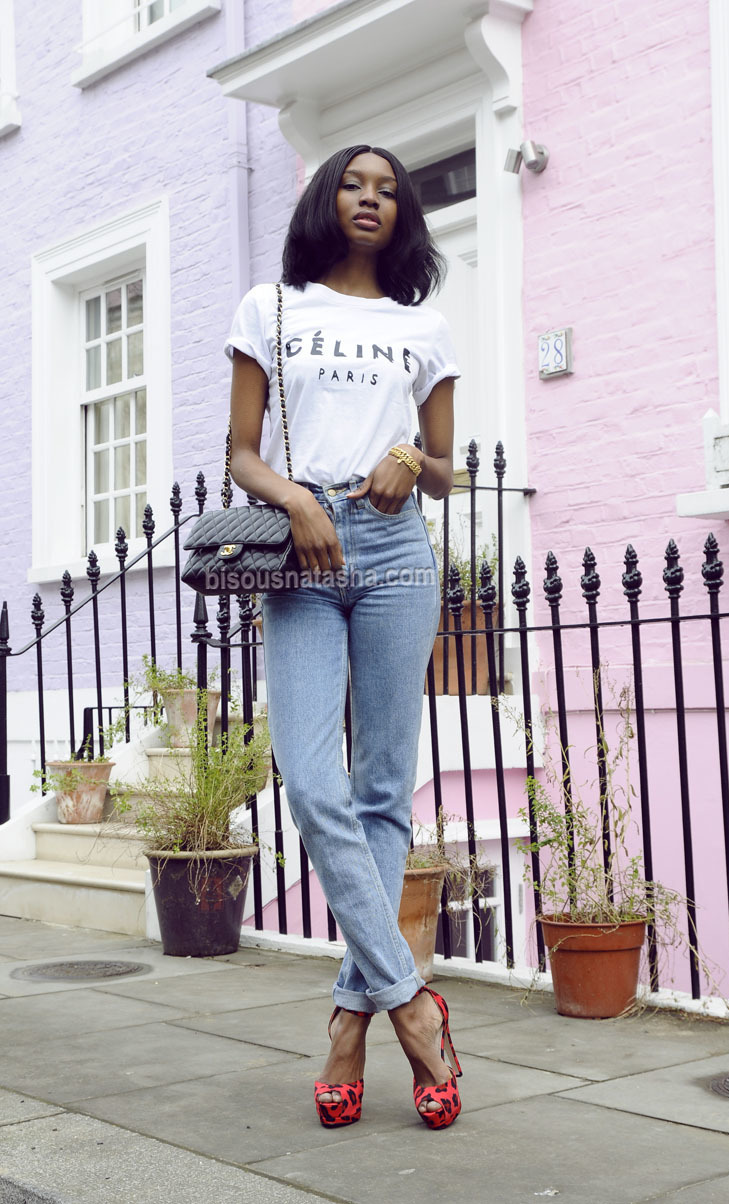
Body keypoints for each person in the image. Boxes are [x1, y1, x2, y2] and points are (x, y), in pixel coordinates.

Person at [224, 145, 463, 1130]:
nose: (370, 198)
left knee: (380, 792)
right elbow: (240, 452)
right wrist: (294, 498)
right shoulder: (268, 307)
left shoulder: (422, 326)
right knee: (313, 782)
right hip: (304, 548)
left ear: (401, 216)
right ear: (325, 200)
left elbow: (448, 466)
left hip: (399, 549)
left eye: (389, 190)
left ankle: (344, 1024)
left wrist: (411, 452)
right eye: (352, 185)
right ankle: (411, 1004)